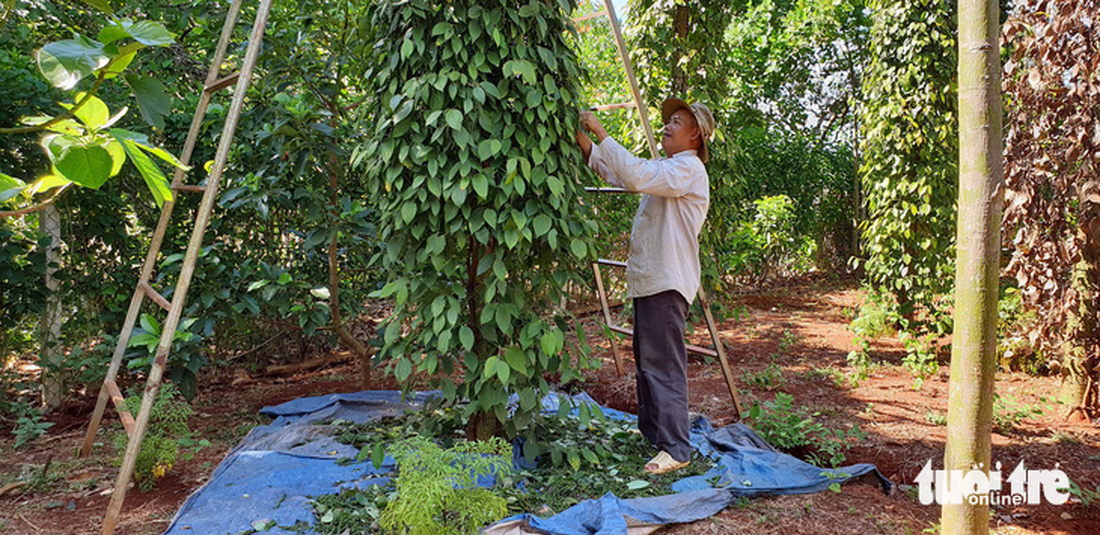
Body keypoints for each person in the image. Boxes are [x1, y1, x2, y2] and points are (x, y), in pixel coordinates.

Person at [575, 98, 715, 474]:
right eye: (668, 121)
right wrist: (583, 141)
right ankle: (654, 433)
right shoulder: (669, 168)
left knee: (664, 365)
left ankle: (676, 449)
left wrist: (600, 131)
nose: (667, 127)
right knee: (647, 361)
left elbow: (634, 174)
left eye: (676, 122)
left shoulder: (688, 169)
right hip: (654, 280)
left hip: (667, 282)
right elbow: (619, 174)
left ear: (695, 134)